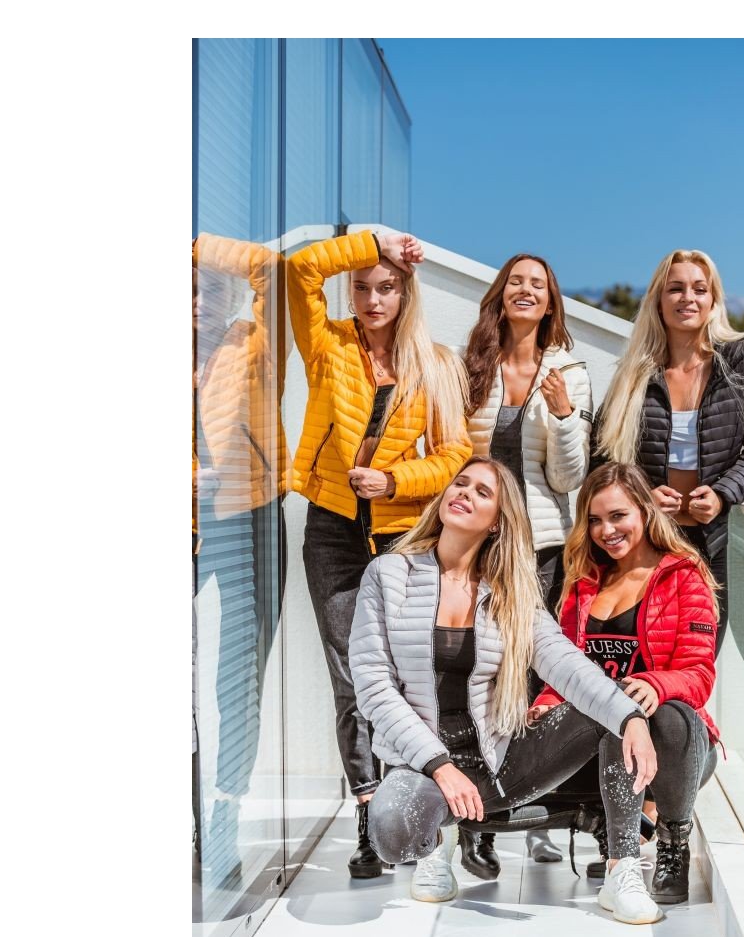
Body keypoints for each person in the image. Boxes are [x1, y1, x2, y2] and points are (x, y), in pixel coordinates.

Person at [350, 459, 664, 925]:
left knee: (615, 708)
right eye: (460, 484)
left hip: (500, 760)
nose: (464, 493)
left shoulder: (510, 592)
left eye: (482, 492)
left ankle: (622, 868)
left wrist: (629, 717)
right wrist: (439, 767)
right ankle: (440, 840)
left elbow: (565, 663)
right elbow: (374, 687)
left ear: (497, 521)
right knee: (392, 833)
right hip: (424, 765)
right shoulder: (389, 574)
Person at [288, 228, 472, 879]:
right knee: (350, 674)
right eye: (362, 287)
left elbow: (454, 455)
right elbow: (300, 270)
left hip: (402, 537)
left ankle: (415, 811)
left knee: (410, 676)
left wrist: (394, 482)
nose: (372, 299)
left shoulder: (434, 363)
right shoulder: (328, 344)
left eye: (386, 286)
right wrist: (372, 241)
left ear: (405, 292)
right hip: (333, 530)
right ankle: (369, 815)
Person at [460, 252, 594, 874]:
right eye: (516, 280)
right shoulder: (472, 366)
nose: (526, 290)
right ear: (501, 293)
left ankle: (537, 809)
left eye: (537, 284)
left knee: (537, 679)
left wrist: (563, 416)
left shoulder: (570, 375)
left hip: (540, 548)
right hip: (477, 547)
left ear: (550, 302)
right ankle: (477, 820)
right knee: (479, 674)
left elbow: (568, 478)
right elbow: (454, 457)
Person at [531, 463, 720, 901]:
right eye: (595, 520)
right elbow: (563, 665)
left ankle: (672, 839)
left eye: (618, 516)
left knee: (668, 714)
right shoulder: (584, 581)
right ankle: (617, 843)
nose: (606, 530)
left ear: (645, 511)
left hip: (673, 748)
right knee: (604, 715)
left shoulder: (682, 574)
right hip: (602, 742)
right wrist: (547, 701)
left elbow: (699, 673)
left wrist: (655, 684)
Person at [592, 249, 744, 655]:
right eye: (675, 289)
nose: (688, 298)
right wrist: (641, 498)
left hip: (712, 542)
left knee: (697, 658)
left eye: (699, 289)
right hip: (644, 542)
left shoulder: (742, 360)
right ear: (659, 301)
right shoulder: (635, 371)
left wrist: (723, 494)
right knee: (644, 658)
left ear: (713, 300)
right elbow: (601, 455)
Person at [193, 234, 290, 891]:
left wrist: (193, 246)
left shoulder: (252, 344)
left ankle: (223, 821)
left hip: (249, 516)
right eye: (187, 292)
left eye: (209, 289)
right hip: (187, 520)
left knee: (239, 678)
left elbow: (274, 272)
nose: (197, 303)